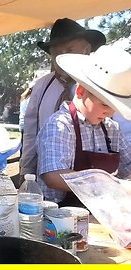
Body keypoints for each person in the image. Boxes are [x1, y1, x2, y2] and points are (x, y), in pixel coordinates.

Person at [36, 46, 131, 206]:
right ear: (80, 91)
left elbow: (128, 165)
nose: (109, 112)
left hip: (102, 214)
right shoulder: (60, 125)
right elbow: (53, 176)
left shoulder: (111, 128)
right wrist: (109, 185)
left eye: (114, 107)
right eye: (105, 105)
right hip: (61, 218)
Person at [20, 18, 106, 179]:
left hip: (94, 184)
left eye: (69, 50)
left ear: (86, 50)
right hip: (47, 183)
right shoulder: (42, 86)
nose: (62, 57)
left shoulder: (102, 86)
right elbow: (30, 132)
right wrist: (26, 171)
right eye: (57, 53)